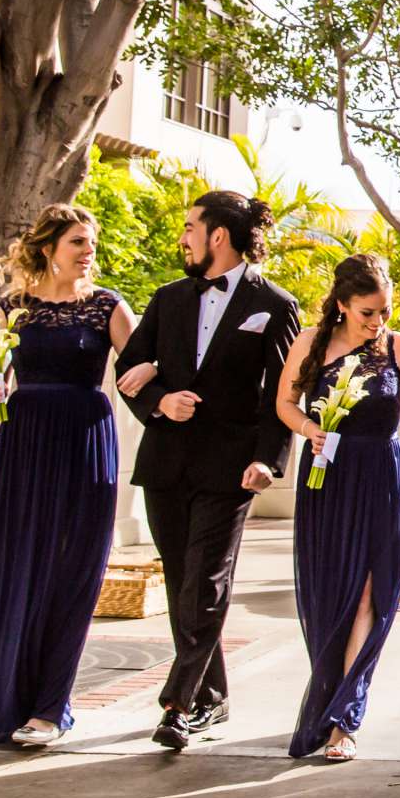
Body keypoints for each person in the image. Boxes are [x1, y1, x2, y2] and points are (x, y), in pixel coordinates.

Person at [114, 190, 300, 752]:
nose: (184, 236)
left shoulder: (274, 302)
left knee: (207, 581)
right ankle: (213, 697)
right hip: (167, 462)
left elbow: (284, 389)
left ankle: (178, 701)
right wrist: (159, 401)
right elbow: (130, 366)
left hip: (231, 468)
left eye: (191, 226)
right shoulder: (167, 298)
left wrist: (269, 459)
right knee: (182, 583)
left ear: (218, 235)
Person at [0, 205, 138, 747]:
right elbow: (0, 373)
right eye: (79, 242)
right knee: (18, 564)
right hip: (25, 442)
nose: (88, 252)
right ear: (49, 248)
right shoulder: (14, 307)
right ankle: (9, 699)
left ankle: (51, 709)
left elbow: (143, 369)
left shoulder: (109, 306)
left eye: (92, 243)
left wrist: (161, 385)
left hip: (84, 440)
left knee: (72, 571)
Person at [267, 253, 400, 762]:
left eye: (384, 311)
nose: (377, 322)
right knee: (329, 595)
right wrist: (308, 430)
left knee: (370, 594)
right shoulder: (310, 345)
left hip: (382, 478)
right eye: (367, 312)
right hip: (328, 480)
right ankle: (328, 694)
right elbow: (285, 404)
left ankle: (345, 718)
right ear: (342, 306)